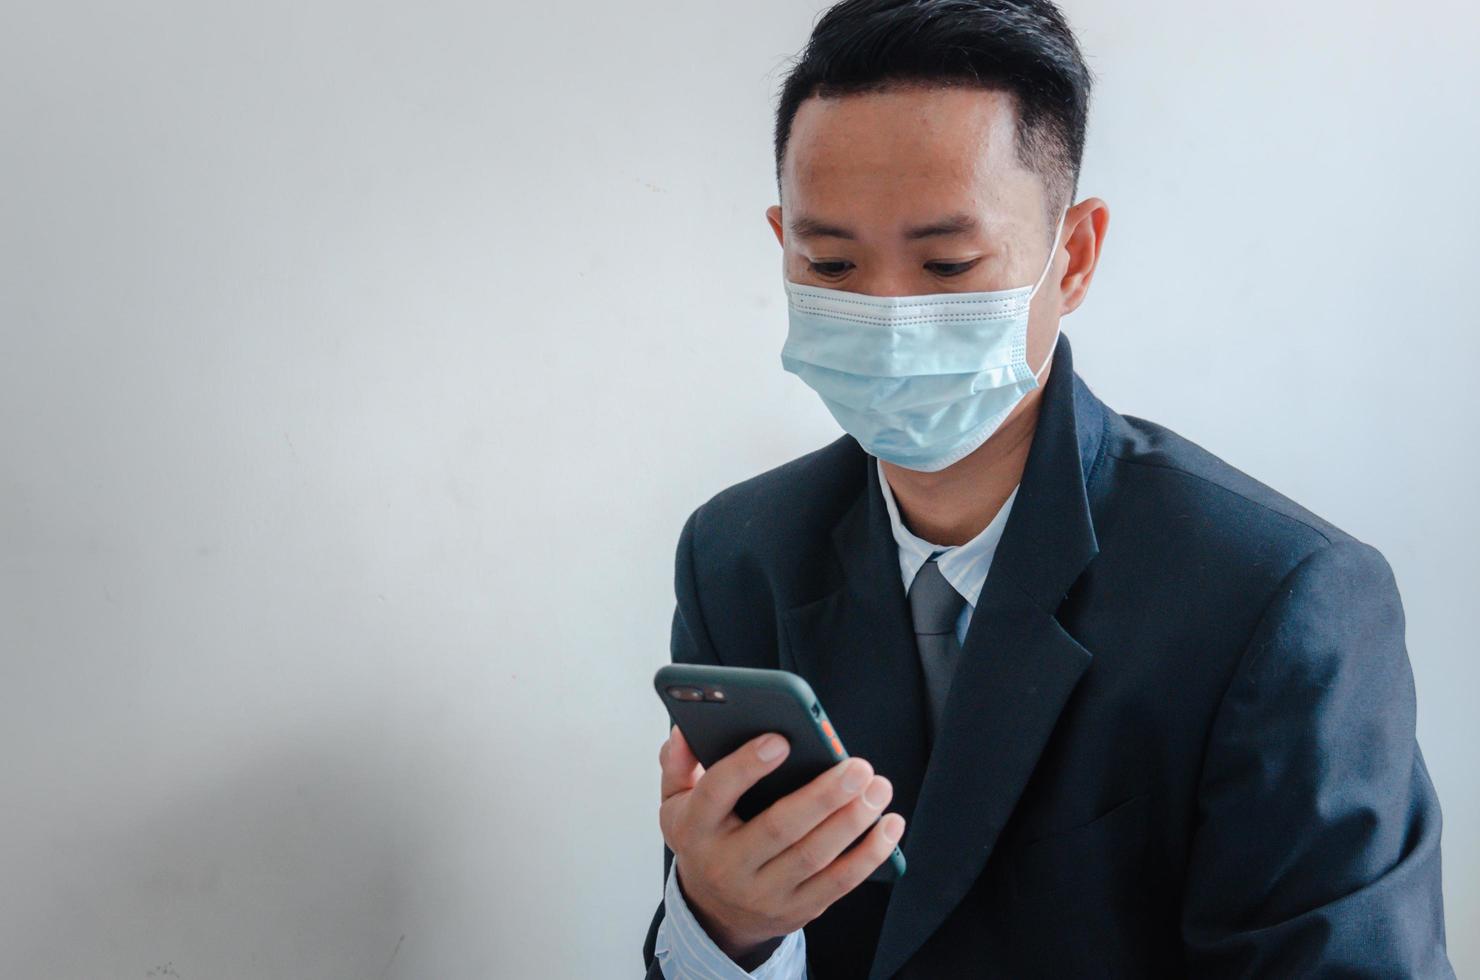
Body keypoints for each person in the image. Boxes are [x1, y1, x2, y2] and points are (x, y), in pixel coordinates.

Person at [643, 1, 1453, 976]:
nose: (887, 313)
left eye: (947, 263)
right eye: (830, 263)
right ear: (781, 244)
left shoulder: (1277, 597)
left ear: (1071, 255)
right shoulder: (740, 552)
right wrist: (725, 921)